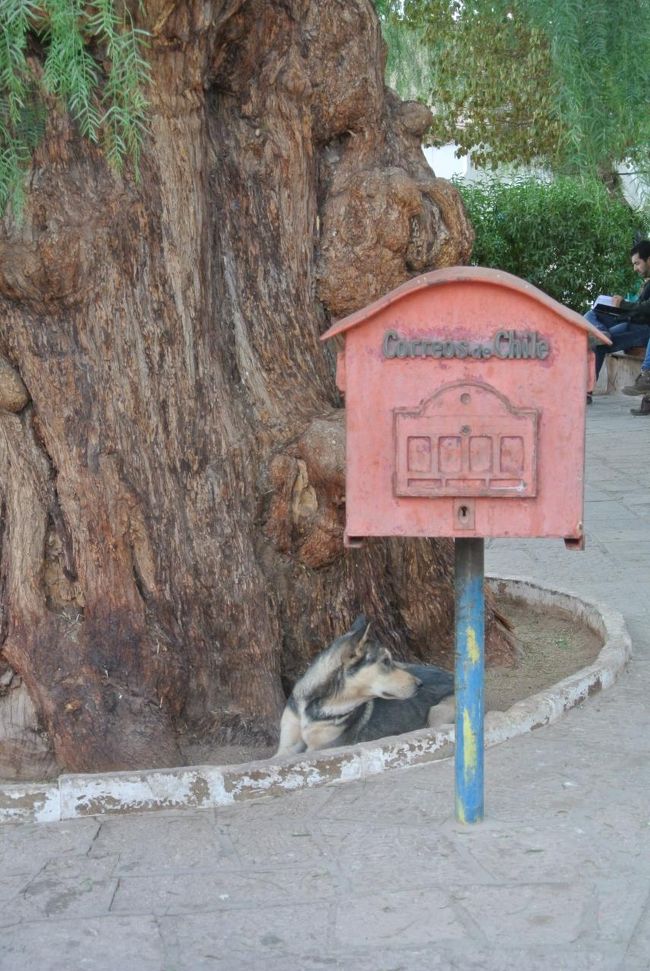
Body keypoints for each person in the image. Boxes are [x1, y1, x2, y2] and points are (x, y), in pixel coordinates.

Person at [585, 240, 650, 391]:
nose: (635, 268)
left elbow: (646, 308)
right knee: (592, 314)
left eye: (637, 263)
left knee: (601, 341)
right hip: (633, 322)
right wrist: (615, 308)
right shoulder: (646, 283)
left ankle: (599, 332)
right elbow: (639, 308)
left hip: (643, 328)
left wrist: (623, 305)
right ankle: (600, 331)